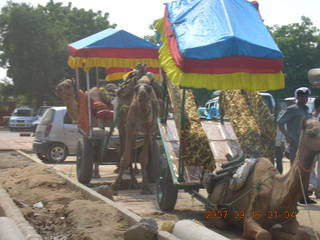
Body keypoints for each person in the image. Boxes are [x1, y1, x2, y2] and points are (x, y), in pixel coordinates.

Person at [277, 87, 316, 204]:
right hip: (296, 145)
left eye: (306, 96)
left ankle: (304, 196)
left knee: (306, 170)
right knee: (296, 171)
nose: (304, 98)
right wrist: (287, 136)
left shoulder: (307, 110)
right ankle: (293, 195)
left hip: (307, 146)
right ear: (297, 97)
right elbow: (280, 122)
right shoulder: (292, 109)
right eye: (301, 96)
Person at [309, 97, 320, 198]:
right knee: (311, 167)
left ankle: (318, 190)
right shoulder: (310, 116)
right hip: (312, 146)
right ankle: (312, 186)